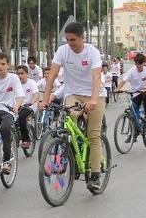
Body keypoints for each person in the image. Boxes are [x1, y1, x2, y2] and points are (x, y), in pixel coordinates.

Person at [40, 22, 106, 189]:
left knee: (93, 136)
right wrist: (45, 99)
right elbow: (52, 75)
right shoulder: (62, 51)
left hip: (95, 94)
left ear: (82, 38)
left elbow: (96, 77)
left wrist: (93, 100)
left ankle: (95, 175)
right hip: (73, 94)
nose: (69, 43)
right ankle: (70, 155)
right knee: (69, 122)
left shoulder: (92, 52)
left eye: (73, 40)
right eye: (67, 40)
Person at [116, 53, 146, 123]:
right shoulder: (132, 71)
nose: (138, 66)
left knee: (145, 97)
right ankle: (135, 127)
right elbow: (124, 80)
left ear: (144, 63)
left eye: (140, 64)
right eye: (137, 64)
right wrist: (117, 88)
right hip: (136, 93)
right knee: (133, 111)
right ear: (135, 63)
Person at [15, 65, 39, 150]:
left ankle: (26, 139)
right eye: (18, 74)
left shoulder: (31, 82)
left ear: (27, 74)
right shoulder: (15, 84)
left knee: (22, 116)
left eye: (22, 73)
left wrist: (32, 102)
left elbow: (36, 94)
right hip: (19, 105)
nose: (20, 76)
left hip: (31, 106)